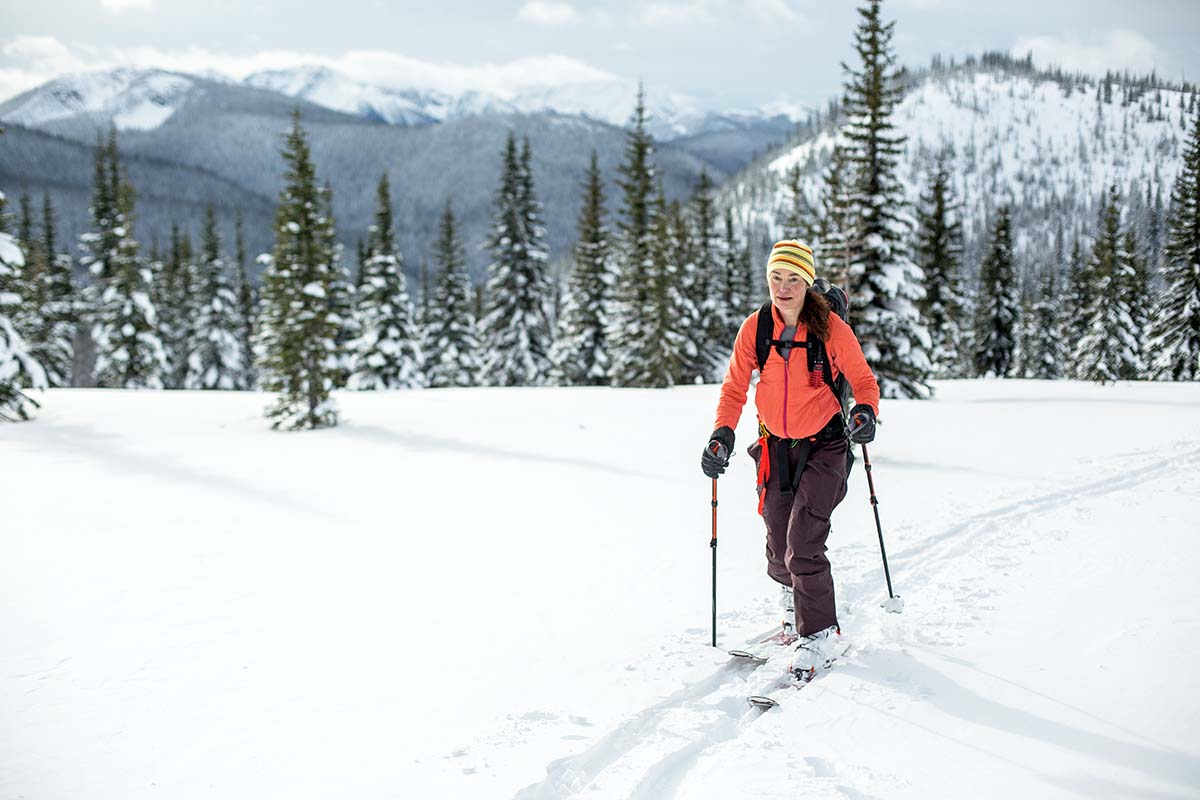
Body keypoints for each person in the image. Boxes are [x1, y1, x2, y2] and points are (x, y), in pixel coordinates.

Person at [700, 239, 880, 679]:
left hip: (826, 445)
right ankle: (792, 601)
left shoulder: (830, 328)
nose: (783, 287)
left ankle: (819, 634)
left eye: (793, 279)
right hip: (775, 446)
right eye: (776, 278)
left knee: (803, 541)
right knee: (779, 544)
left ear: (807, 283)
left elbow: (863, 380)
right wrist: (722, 433)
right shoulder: (756, 328)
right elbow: (735, 388)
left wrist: (865, 412)